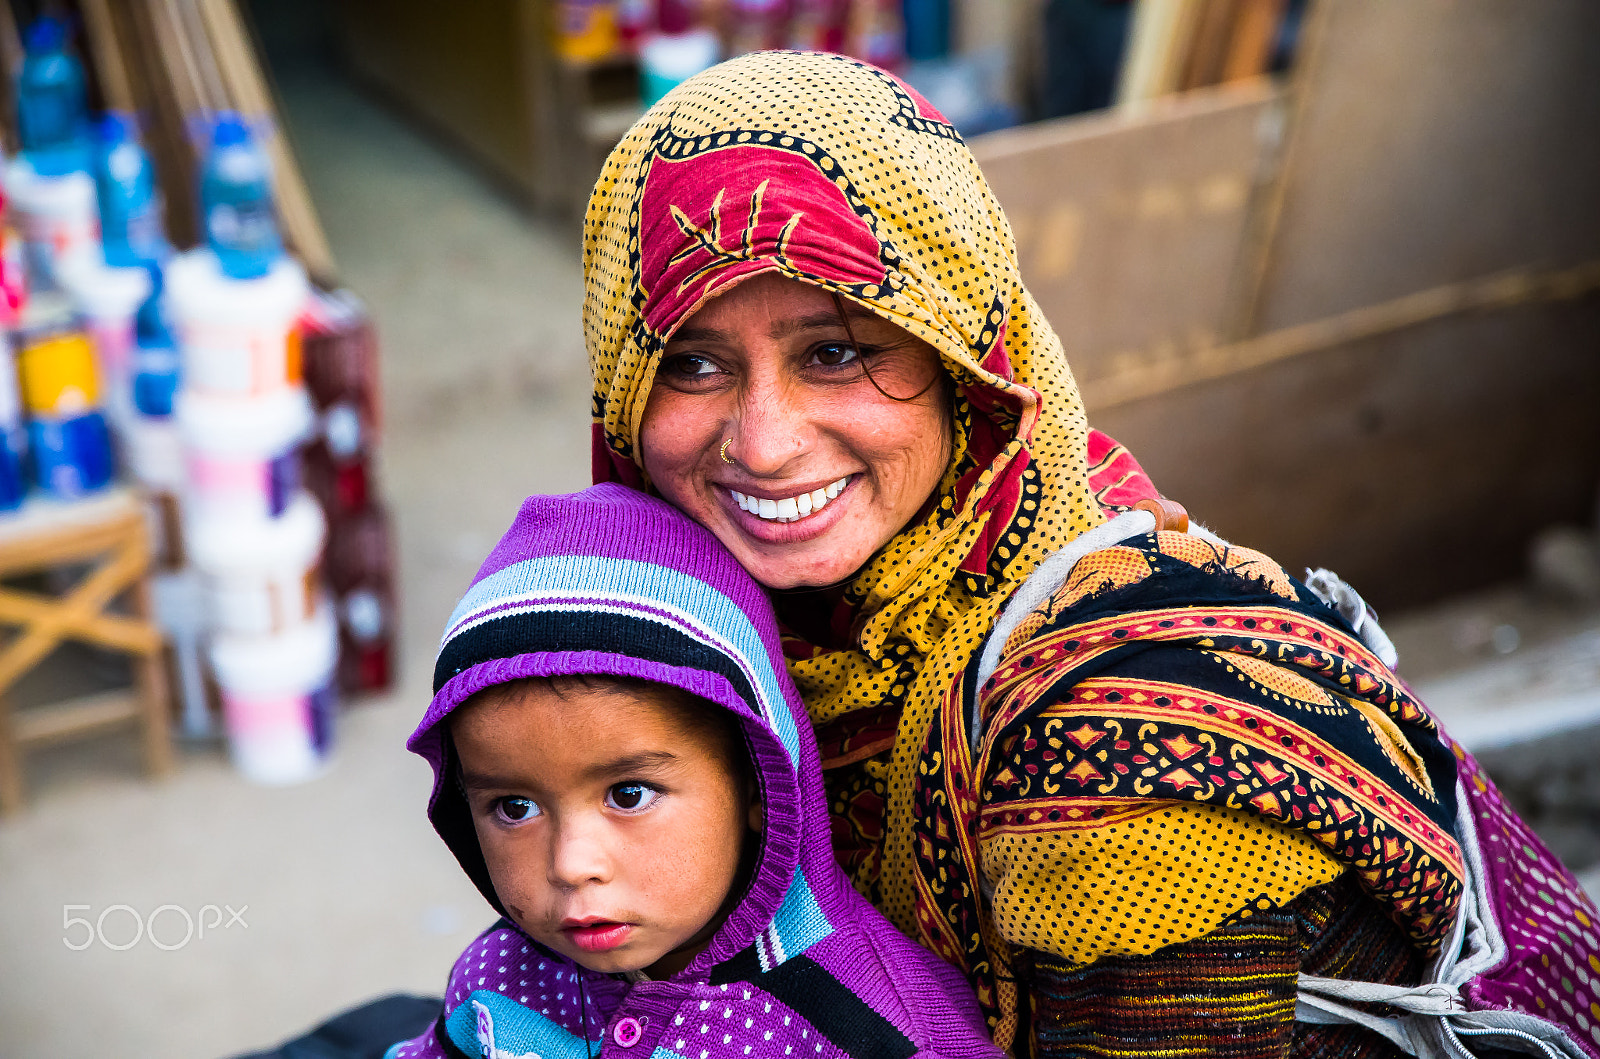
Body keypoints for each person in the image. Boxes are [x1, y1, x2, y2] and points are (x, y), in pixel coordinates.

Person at [581, 50, 1600, 1058]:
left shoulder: (1110, 749)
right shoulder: (740, 645)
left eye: (836, 352)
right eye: (691, 363)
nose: (762, 442)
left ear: (965, 364)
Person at [387, 484, 1004, 1059]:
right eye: (514, 808)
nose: (571, 866)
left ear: (759, 783)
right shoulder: (499, 980)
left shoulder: (874, 1024)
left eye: (629, 795)